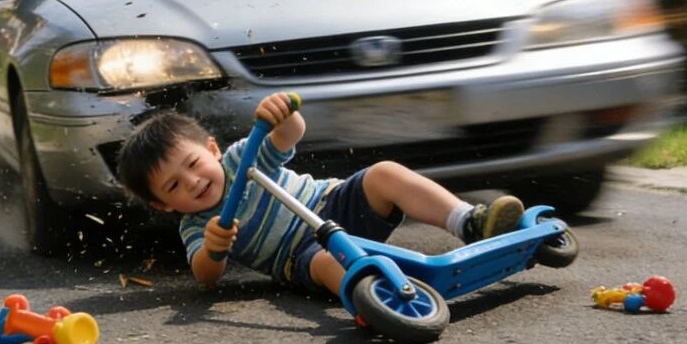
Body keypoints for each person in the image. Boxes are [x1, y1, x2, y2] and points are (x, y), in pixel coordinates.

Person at [114, 92, 526, 296]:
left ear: (211, 149)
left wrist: (283, 113)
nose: (192, 182)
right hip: (298, 255)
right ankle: (375, 295)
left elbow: (290, 135)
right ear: (163, 204)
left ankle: (468, 221)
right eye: (173, 186)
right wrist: (215, 250)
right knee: (328, 263)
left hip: (332, 205)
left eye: (192, 165)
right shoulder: (198, 225)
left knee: (384, 173)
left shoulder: (241, 159)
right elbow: (205, 276)